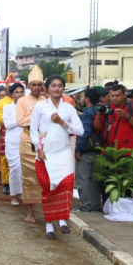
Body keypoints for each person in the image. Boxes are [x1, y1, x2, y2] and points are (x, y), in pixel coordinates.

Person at [30, 75, 84, 239]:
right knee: (48, 186)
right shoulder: (40, 107)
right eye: (53, 85)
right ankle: (49, 224)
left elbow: (80, 130)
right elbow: (33, 130)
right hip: (45, 149)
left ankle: (62, 219)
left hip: (63, 149)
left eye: (60, 85)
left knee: (66, 184)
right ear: (47, 89)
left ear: (63, 88)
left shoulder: (69, 109)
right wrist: (38, 148)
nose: (57, 88)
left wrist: (62, 122)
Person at [16, 64, 46, 223]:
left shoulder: (47, 100)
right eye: (33, 84)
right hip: (27, 141)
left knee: (47, 176)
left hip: (45, 142)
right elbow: (20, 121)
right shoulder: (22, 100)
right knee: (28, 177)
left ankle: (47, 209)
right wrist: (38, 119)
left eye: (39, 84)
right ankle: (30, 212)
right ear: (28, 86)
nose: (36, 87)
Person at [93, 84, 133, 153]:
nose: (114, 98)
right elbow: (97, 129)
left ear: (124, 95)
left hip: (128, 152)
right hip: (109, 151)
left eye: (117, 96)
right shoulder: (105, 108)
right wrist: (99, 118)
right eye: (112, 96)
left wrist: (127, 116)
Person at [74, 88, 103, 212]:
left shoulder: (88, 113)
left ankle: (85, 206)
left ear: (88, 99)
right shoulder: (98, 111)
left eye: (83, 96)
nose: (82, 99)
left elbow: (84, 133)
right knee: (94, 179)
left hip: (86, 149)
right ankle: (95, 205)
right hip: (98, 148)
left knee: (83, 179)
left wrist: (78, 149)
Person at [0, 74, 17, 195]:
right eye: (9, 87)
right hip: (5, 131)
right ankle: (6, 183)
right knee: (4, 157)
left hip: (20, 131)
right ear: (6, 88)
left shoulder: (20, 101)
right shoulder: (1, 102)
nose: (12, 90)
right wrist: (12, 120)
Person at [3, 83, 25, 206]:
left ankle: (23, 192)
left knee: (25, 168)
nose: (19, 94)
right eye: (16, 92)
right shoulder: (7, 108)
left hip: (26, 141)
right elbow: (8, 125)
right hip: (12, 142)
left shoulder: (29, 108)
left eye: (21, 92)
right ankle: (14, 195)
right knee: (15, 168)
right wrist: (21, 120)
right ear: (12, 94)